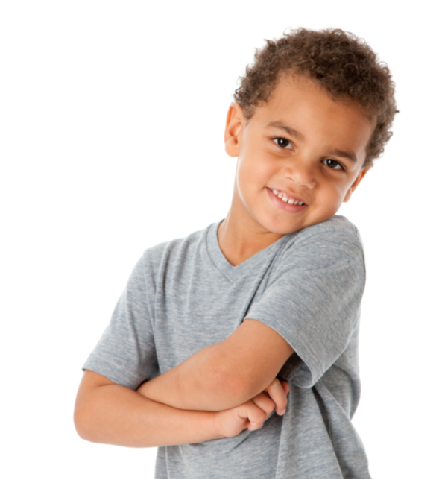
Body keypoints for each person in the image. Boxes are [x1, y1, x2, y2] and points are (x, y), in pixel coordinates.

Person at [74, 27, 397, 479]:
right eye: (283, 142)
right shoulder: (160, 270)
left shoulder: (330, 249)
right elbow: (90, 414)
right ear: (235, 131)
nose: (301, 176)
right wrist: (211, 421)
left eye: (332, 163)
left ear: (355, 182)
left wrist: (133, 397)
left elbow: (230, 378)